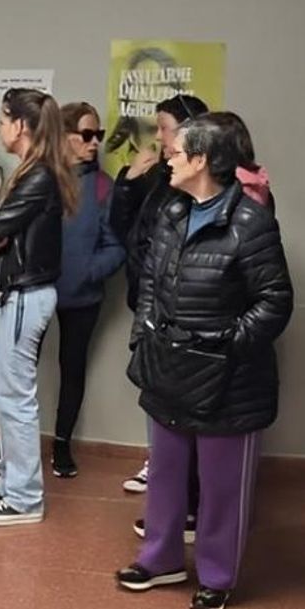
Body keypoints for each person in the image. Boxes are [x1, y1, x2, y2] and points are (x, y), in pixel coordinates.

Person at [114, 113, 293, 609]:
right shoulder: (172, 211)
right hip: (167, 367)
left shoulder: (251, 222)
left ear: (202, 161)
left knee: (220, 487)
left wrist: (229, 343)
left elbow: (274, 301)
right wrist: (143, 334)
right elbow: (150, 280)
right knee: (166, 473)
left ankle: (217, 576)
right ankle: (160, 559)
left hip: (227, 379)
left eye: (177, 151)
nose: (167, 156)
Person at [0, 101, 125, 477]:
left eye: (99, 136)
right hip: (33, 289)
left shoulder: (104, 186)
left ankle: (61, 445)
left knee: (71, 369)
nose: (95, 144)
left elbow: (117, 245)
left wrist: (90, 271)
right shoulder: (41, 176)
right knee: (16, 377)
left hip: (79, 295)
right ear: (65, 135)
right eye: (87, 135)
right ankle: (3, 445)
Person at [0, 88, 76, 527]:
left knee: (16, 399)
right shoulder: (31, 172)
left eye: (4, 119)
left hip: (25, 294)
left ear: (22, 126)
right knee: (5, 396)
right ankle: (9, 484)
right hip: (16, 292)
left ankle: (25, 498)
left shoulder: (39, 176)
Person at [107, 94, 209, 494]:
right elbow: (122, 229)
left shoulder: (197, 182)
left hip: (180, 311)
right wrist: (129, 182)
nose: (159, 137)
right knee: (155, 391)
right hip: (147, 301)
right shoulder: (161, 175)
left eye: (164, 128)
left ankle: (180, 479)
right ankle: (164, 466)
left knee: (176, 396)